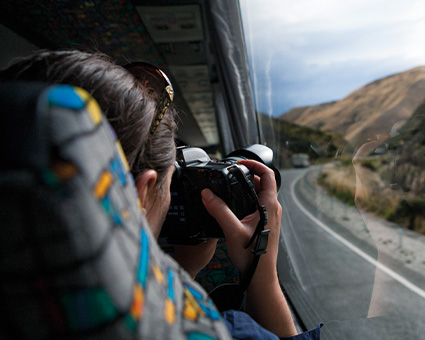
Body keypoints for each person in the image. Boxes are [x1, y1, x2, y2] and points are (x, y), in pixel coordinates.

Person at [0, 50, 321, 340]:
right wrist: (260, 274)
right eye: (172, 180)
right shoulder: (218, 331)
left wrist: (183, 268)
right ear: (141, 193)